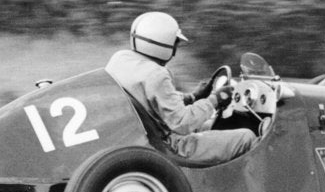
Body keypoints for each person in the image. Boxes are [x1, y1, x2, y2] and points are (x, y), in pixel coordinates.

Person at [105, 12, 257, 166]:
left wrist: (192, 97)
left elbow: (156, 100)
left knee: (209, 125)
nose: (175, 49)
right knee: (246, 137)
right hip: (169, 146)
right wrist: (215, 100)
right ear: (164, 44)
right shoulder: (157, 74)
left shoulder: (120, 59)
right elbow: (182, 124)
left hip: (141, 137)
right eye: (175, 43)